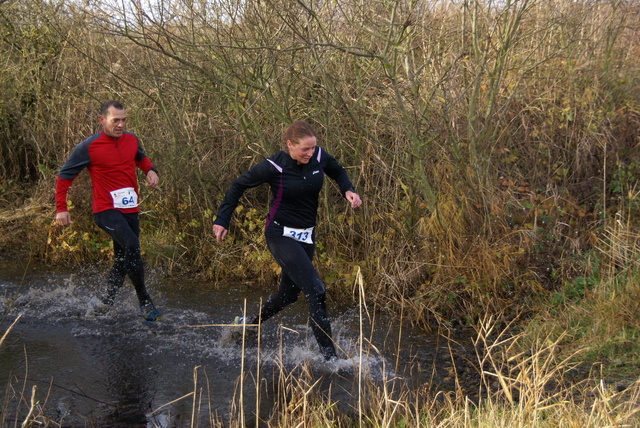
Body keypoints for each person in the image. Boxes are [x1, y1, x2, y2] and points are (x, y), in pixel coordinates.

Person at [213, 120, 362, 361]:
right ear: (289, 145)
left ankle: (248, 324)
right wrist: (222, 219)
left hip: (306, 236)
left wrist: (348, 190)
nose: (310, 153)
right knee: (316, 290)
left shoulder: (319, 157)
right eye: (305, 149)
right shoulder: (274, 166)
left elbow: (337, 170)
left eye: (313, 148)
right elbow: (238, 185)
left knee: (289, 294)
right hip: (280, 234)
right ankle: (331, 359)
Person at [54, 100, 161, 322]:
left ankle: (106, 302)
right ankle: (145, 301)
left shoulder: (131, 139)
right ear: (102, 120)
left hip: (130, 208)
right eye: (116, 120)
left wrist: (150, 170)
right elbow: (64, 176)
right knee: (132, 245)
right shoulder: (87, 147)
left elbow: (139, 157)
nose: (120, 125)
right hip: (105, 209)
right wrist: (61, 208)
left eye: (123, 120)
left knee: (123, 258)